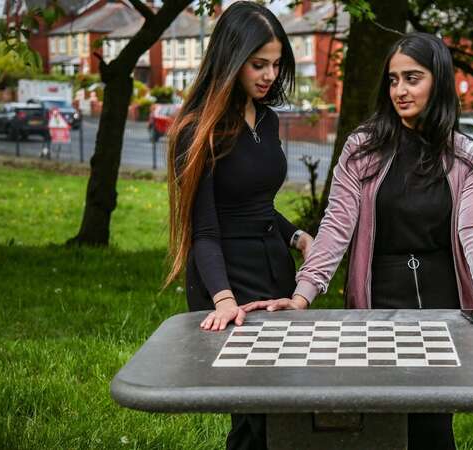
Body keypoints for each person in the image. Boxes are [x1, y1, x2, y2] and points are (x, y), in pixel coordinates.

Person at [243, 32, 473, 449]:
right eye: (393, 80)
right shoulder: (362, 150)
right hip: (378, 305)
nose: (400, 90)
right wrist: (302, 294)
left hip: (444, 306)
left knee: (433, 426)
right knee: (383, 425)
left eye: (412, 78)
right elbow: (336, 226)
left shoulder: (465, 155)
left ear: (438, 80)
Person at [164, 2, 312, 449]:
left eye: (276, 65)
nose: (269, 76)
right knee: (253, 416)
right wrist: (223, 299)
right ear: (231, 60)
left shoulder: (267, 119)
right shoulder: (198, 130)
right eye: (258, 65)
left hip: (273, 267)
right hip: (225, 276)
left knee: (282, 404)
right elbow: (203, 230)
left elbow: (257, 204)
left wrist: (299, 237)